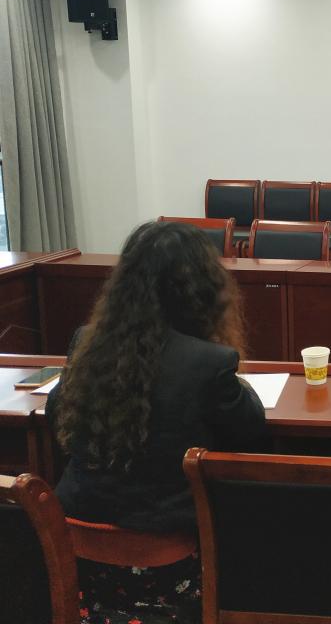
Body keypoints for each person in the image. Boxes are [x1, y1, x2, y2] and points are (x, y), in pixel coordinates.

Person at [48, 221, 266, 624]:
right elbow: (250, 429)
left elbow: (56, 415)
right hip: (166, 565)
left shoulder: (87, 343)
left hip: (76, 552)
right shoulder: (209, 363)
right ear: (203, 292)